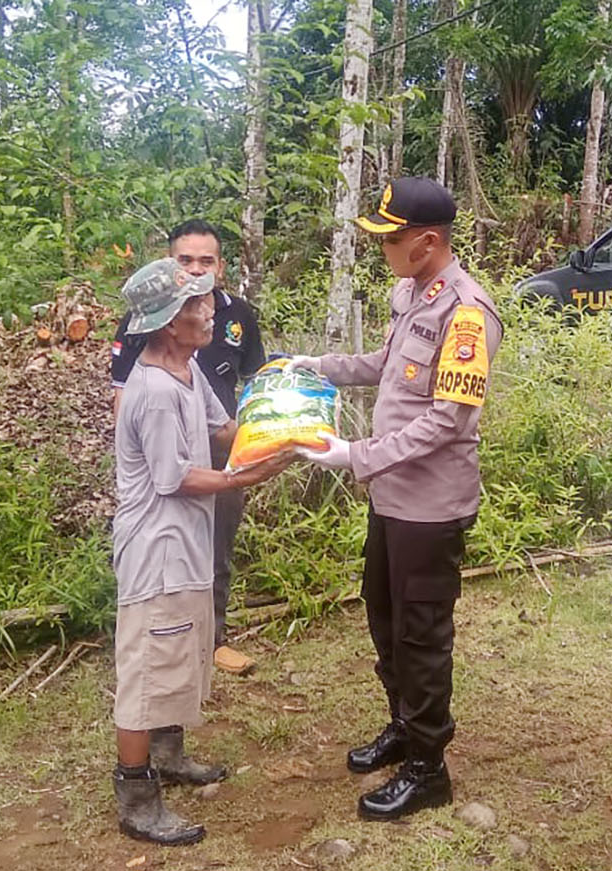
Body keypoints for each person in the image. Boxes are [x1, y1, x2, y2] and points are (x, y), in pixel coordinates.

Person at [289, 177, 503, 821]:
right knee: (383, 615)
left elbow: (449, 422)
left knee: (422, 634)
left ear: (427, 241)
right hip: (391, 497)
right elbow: (386, 363)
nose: (383, 247)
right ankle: (403, 726)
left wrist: (355, 456)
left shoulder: (467, 314)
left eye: (392, 237)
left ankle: (428, 765)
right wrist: (315, 364)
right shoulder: (411, 292)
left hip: (430, 508)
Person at [110, 258, 291, 846]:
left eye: (206, 301)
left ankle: (169, 755)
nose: (208, 312)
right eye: (195, 306)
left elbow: (221, 430)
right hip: (157, 551)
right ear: (168, 324)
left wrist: (286, 430)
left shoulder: (187, 371)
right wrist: (247, 477)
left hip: (187, 544)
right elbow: (178, 477)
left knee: (182, 652)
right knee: (145, 670)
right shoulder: (156, 389)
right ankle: (136, 797)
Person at [111, 220, 266, 677]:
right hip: (165, 454)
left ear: (221, 266)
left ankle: (207, 639)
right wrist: (141, 452)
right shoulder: (152, 348)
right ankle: (158, 652)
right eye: (185, 261)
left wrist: (272, 442)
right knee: (164, 569)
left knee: (213, 549)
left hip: (219, 449)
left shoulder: (232, 319)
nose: (197, 270)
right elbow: (131, 405)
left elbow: (241, 400)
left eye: (206, 261)